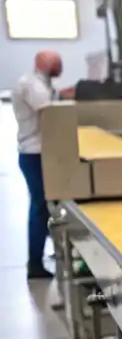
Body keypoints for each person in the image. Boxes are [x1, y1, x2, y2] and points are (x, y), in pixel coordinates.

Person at [12, 51, 64, 279]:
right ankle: (34, 264)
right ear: (43, 63)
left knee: (47, 204)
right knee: (40, 206)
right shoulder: (32, 85)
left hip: (39, 152)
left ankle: (54, 251)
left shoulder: (39, 83)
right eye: (56, 62)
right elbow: (50, 114)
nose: (59, 65)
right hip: (35, 154)